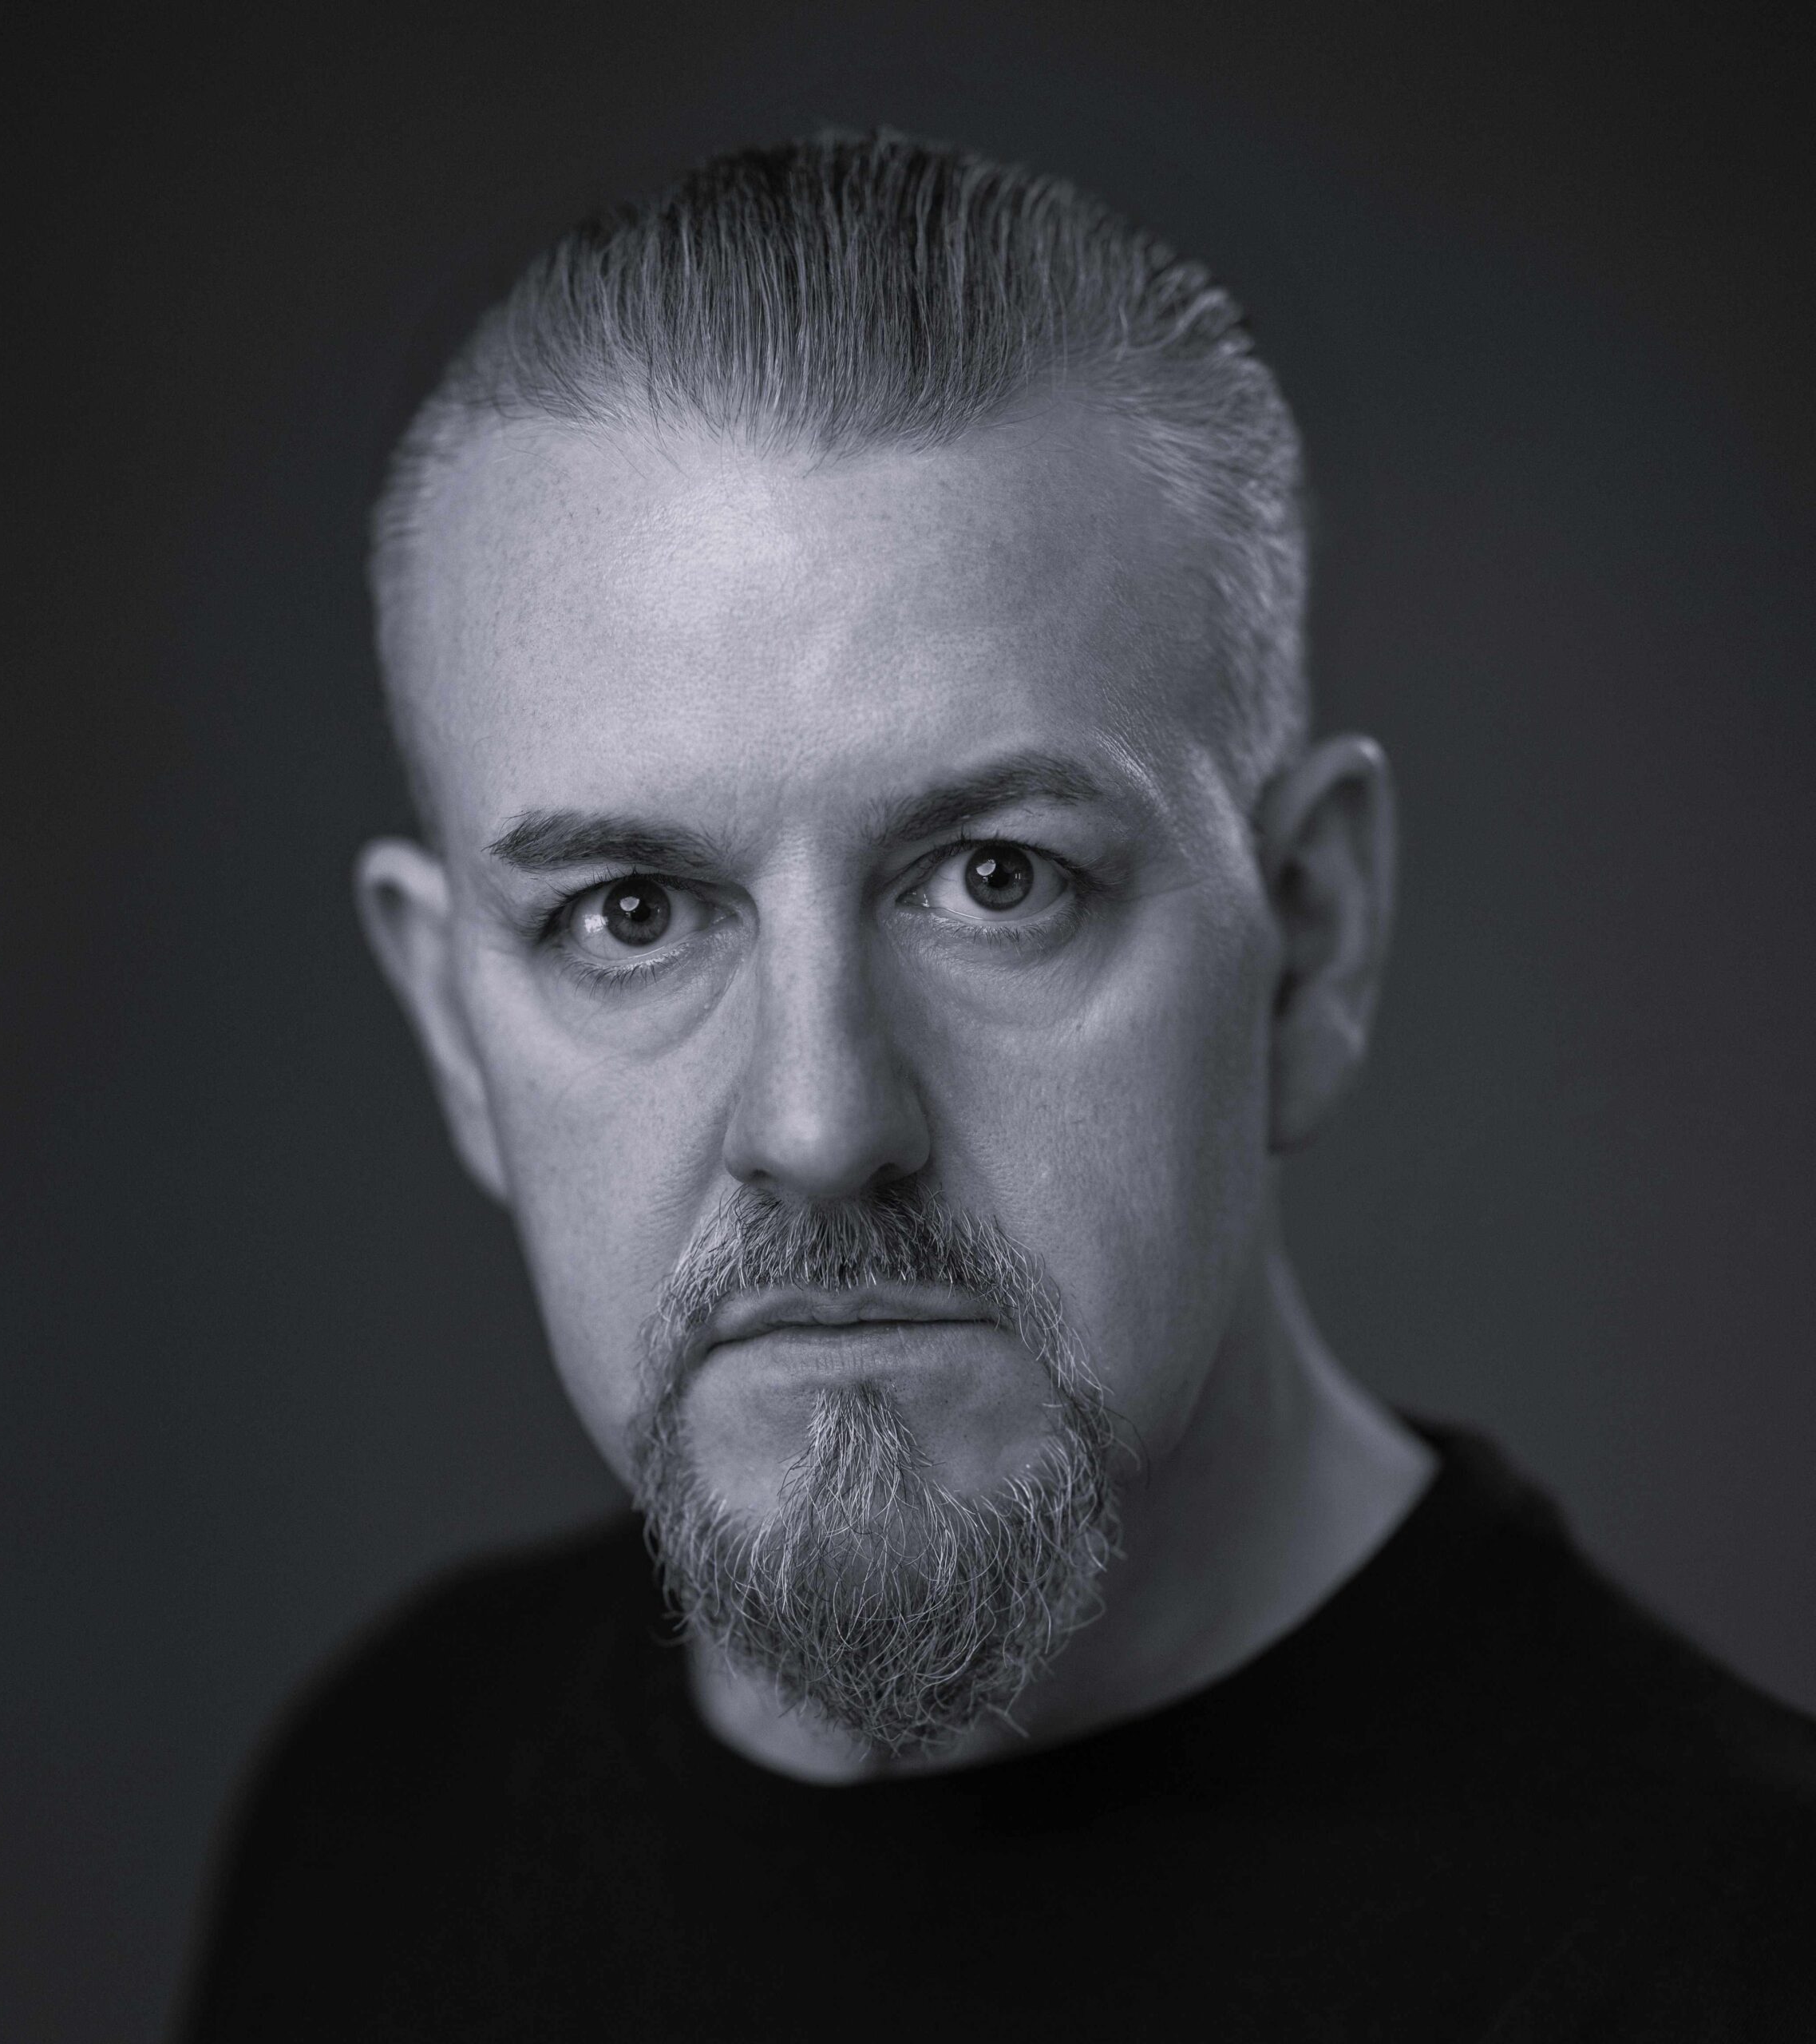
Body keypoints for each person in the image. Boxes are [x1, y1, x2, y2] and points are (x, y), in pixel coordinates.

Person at [179, 131, 1816, 2040]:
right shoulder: (382, 1810)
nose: (818, 1124)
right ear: (455, 1025)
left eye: (996, 880)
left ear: (1309, 935)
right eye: (632, 912)